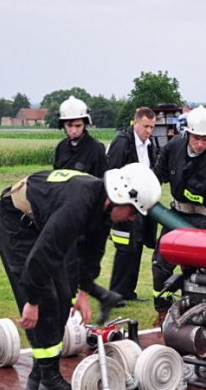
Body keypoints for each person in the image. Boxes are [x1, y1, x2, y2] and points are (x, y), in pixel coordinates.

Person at [0, 163, 161, 390]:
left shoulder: (100, 206)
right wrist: (31, 300)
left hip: (39, 221)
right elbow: (44, 253)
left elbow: (92, 252)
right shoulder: (78, 205)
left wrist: (82, 291)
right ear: (119, 197)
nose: (132, 219)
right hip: (15, 222)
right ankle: (49, 381)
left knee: (63, 295)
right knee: (48, 300)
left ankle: (38, 376)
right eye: (133, 212)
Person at [151, 106, 206, 326]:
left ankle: (198, 313)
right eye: (196, 138)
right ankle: (163, 310)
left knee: (200, 271)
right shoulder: (173, 148)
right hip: (173, 216)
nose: (201, 144)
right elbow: (157, 175)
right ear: (187, 134)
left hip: (200, 221)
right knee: (160, 265)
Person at [52, 96, 121, 319]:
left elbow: (103, 185)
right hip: (64, 212)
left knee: (75, 264)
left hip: (87, 215)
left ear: (85, 123)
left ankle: (75, 308)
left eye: (77, 125)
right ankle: (102, 296)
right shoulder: (61, 148)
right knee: (66, 263)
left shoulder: (95, 149)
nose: (73, 130)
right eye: (69, 125)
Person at [106, 107, 158, 303]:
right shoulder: (122, 143)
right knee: (125, 246)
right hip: (124, 202)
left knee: (137, 245)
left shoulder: (149, 144)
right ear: (135, 123)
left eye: (152, 127)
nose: (149, 131)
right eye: (145, 126)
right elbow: (112, 171)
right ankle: (116, 293)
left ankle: (129, 291)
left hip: (141, 202)